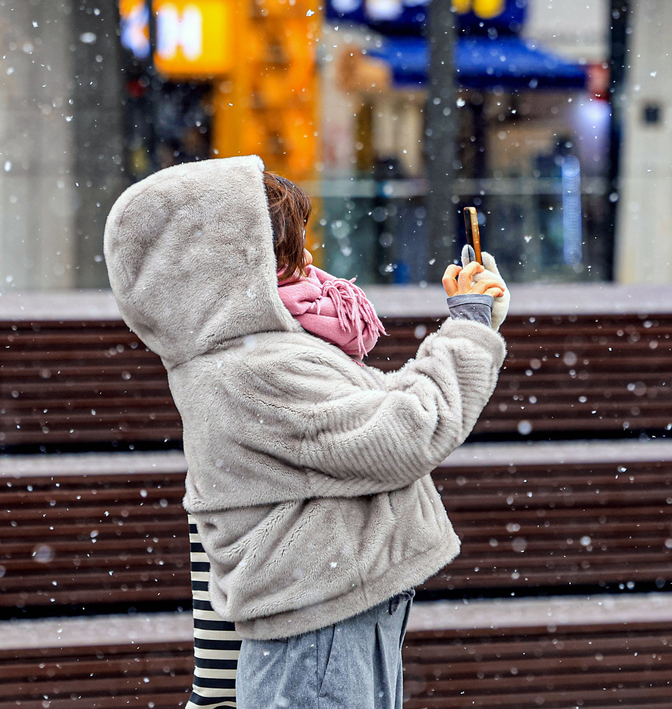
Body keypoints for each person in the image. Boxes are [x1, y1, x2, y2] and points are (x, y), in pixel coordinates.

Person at [104, 156, 508, 709]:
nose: (310, 258)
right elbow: (407, 432)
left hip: (328, 621)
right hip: (318, 635)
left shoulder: (248, 354)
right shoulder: (252, 367)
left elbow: (364, 417)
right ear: (235, 266)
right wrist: (467, 329)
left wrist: (472, 322)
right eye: (288, 250)